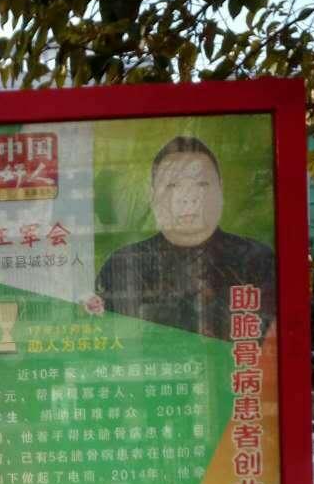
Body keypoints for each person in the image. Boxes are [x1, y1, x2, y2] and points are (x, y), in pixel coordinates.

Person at [92, 136, 276, 339]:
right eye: (172, 186)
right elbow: (108, 338)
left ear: (220, 190)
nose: (188, 197)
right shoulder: (124, 263)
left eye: (201, 184)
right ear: (153, 195)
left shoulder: (256, 259)